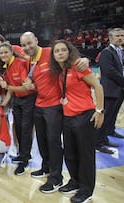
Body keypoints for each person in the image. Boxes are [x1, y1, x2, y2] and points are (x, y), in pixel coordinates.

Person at [20, 32, 89, 190]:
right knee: (42, 140)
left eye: (29, 43)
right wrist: (30, 82)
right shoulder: (29, 60)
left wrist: (85, 60)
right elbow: (33, 77)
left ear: (36, 40)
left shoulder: (49, 52)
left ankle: (56, 178)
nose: (27, 47)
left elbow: (69, 58)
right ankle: (46, 167)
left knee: (53, 142)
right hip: (39, 104)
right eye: (24, 45)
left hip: (54, 106)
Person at [50, 39, 104, 203]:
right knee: (70, 153)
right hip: (68, 117)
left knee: (85, 155)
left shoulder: (78, 66)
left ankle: (86, 190)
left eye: (63, 50)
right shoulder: (61, 71)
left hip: (84, 116)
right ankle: (75, 182)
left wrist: (99, 111)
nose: (60, 53)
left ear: (69, 52)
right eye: (56, 51)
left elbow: (98, 86)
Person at [0, 41, 36, 176]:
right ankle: (23, 154)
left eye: (5, 52)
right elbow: (10, 91)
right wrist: (2, 105)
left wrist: (7, 87)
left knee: (26, 129)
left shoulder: (20, 63)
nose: (3, 55)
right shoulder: (5, 67)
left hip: (29, 99)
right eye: (1, 53)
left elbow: (26, 87)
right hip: (17, 100)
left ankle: (24, 162)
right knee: (18, 128)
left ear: (11, 52)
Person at [97, 28, 124, 154]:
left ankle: (107, 134)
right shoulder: (107, 52)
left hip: (118, 89)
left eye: (122, 36)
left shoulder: (119, 51)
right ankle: (98, 142)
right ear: (111, 38)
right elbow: (110, 71)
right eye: (117, 36)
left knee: (112, 115)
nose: (120, 38)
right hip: (110, 90)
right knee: (105, 117)